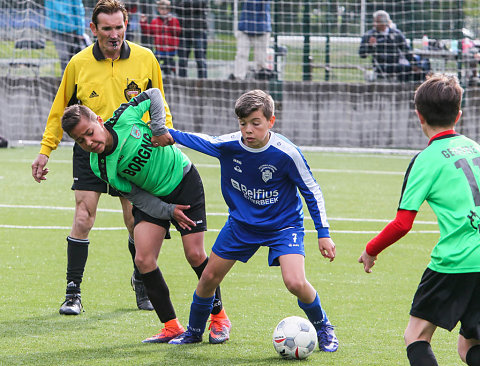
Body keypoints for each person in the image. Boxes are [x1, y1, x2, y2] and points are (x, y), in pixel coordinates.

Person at [159, 89, 339, 352]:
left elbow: (312, 190)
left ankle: (323, 327)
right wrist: (170, 134)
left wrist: (323, 232)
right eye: (243, 124)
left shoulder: (287, 153)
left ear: (271, 121)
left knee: (295, 282)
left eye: (256, 123)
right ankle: (194, 332)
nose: (248, 130)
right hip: (241, 226)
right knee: (209, 277)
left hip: (283, 226)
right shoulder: (228, 146)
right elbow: (199, 140)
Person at [31, 0, 172, 316]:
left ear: (126, 25)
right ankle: (73, 292)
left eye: (119, 27)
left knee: (135, 221)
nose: (114, 35)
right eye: (106, 28)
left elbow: (160, 103)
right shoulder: (78, 63)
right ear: (93, 29)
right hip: (89, 151)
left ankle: (142, 279)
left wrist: (166, 139)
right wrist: (45, 150)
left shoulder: (146, 59)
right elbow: (60, 112)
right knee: (83, 216)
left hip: (131, 151)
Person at [60, 87, 231, 344]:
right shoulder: (100, 167)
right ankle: (171, 326)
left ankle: (220, 319)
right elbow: (137, 197)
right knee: (143, 259)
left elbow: (153, 94)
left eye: (89, 133)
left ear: (98, 120)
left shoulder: (124, 117)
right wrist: (168, 211)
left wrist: (160, 128)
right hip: (154, 200)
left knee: (195, 254)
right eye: (80, 141)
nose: (89, 142)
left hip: (183, 181)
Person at [358, 74, 480, 366]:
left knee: (416, 335)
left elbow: (402, 223)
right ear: (459, 114)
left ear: (419, 115)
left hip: (456, 260)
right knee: (469, 344)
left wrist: (371, 250)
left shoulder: (426, 159)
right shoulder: (476, 148)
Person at [359, 10, 424, 82]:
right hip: (380, 67)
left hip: (396, 65)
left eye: (377, 22)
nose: (374, 24)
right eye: (375, 21)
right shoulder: (370, 35)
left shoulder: (396, 33)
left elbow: (406, 50)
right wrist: (370, 45)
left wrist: (414, 64)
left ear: (385, 22)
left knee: (418, 71)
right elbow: (362, 54)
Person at [230, 0, 272, 80]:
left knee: (261, 59)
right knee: (241, 54)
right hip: (245, 27)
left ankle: (260, 80)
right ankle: (238, 79)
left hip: (262, 27)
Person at [45, 0, 88, 72]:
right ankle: (66, 81)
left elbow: (78, 10)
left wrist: (80, 31)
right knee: (64, 59)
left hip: (71, 29)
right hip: (56, 29)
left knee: (75, 59)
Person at [140, 0, 181, 77]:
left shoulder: (173, 20)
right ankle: (156, 77)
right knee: (154, 61)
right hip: (159, 50)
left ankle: (170, 73)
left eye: (166, 9)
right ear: (158, 9)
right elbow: (148, 32)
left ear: (169, 10)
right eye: (161, 9)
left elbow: (177, 32)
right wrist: (143, 22)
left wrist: (170, 22)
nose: (163, 11)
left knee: (167, 63)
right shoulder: (155, 21)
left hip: (170, 50)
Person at [173, 0, 208, 78]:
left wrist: (185, 4)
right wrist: (193, 5)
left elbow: (202, 3)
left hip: (199, 29)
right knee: (182, 60)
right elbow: (176, 6)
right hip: (183, 30)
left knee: (200, 59)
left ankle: (203, 83)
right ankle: (182, 84)